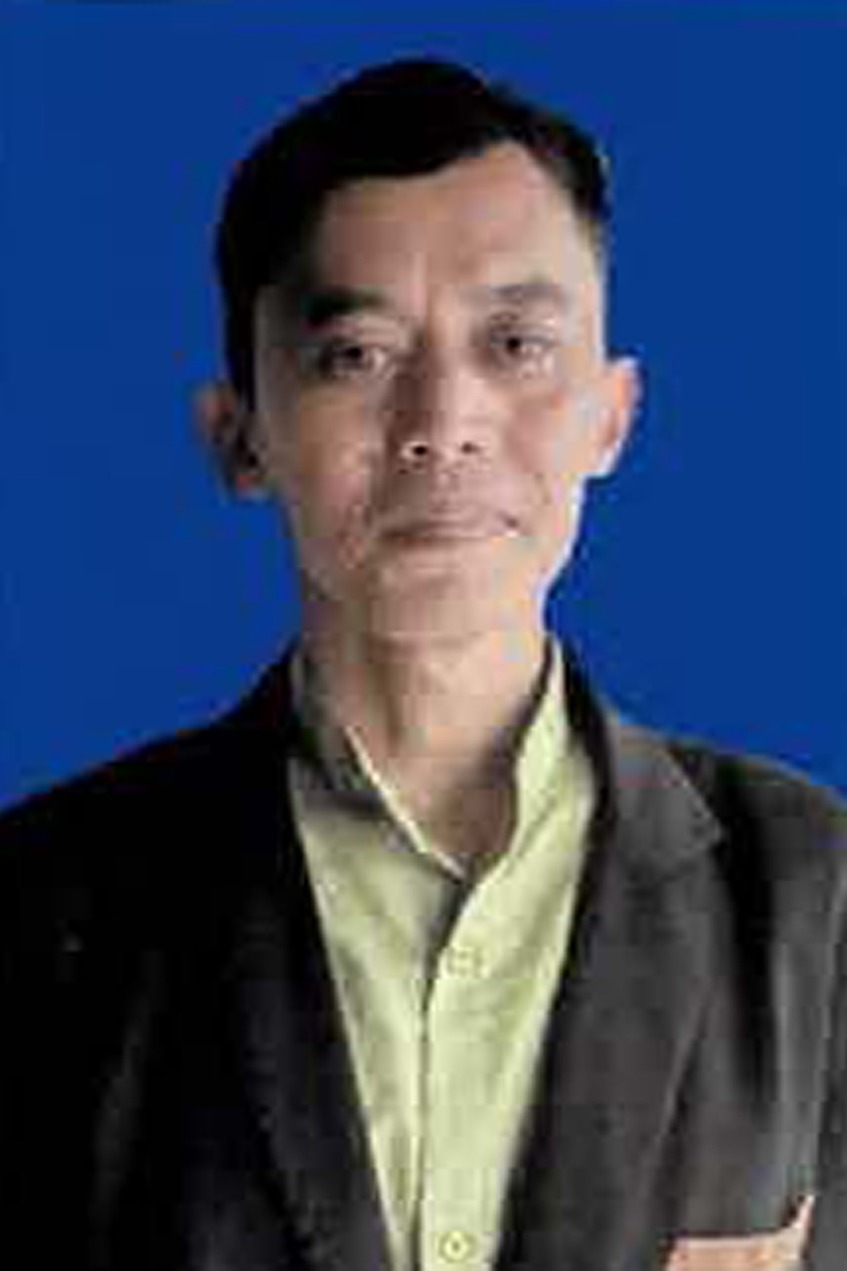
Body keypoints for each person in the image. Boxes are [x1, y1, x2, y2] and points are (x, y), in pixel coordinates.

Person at [1, 58, 845, 1271]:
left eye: (516, 343)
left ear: (612, 413)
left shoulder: (814, 891)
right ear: (238, 436)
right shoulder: (46, 905)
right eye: (356, 354)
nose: (443, 421)